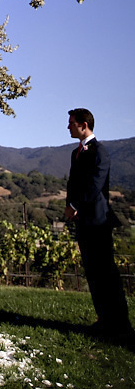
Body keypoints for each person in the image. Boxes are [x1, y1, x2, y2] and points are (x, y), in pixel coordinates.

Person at [64, 107, 132, 338]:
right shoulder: (76, 152)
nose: (68, 127)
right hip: (84, 220)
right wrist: (69, 205)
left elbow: (95, 186)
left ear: (84, 125)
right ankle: (104, 321)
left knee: (106, 274)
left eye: (72, 123)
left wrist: (74, 206)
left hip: (98, 220)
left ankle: (120, 325)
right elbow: (73, 183)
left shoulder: (100, 152)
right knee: (93, 272)